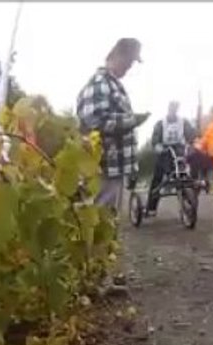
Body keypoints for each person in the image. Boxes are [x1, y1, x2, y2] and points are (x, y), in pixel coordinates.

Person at [75, 38, 148, 213]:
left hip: (114, 168)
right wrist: (132, 121)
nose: (129, 67)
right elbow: (95, 121)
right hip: (105, 167)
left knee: (109, 216)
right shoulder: (100, 83)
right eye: (129, 61)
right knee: (99, 215)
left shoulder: (112, 84)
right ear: (117, 56)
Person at [146, 100, 197, 215]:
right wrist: (158, 147)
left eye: (175, 108)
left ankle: (188, 203)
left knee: (184, 176)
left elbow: (191, 135)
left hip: (179, 150)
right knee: (157, 179)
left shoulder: (183, 122)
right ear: (168, 109)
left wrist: (191, 143)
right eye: (172, 108)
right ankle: (151, 207)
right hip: (165, 151)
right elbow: (155, 139)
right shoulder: (161, 123)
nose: (173, 110)